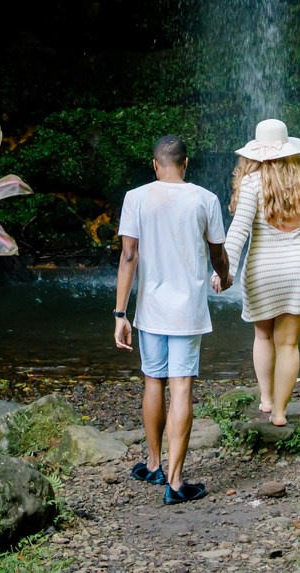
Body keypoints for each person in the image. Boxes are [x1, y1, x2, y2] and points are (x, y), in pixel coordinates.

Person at [113, 134, 230, 505]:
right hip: (188, 312)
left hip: (150, 310)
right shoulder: (205, 199)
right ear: (186, 162)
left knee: (152, 382)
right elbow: (218, 255)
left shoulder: (136, 198)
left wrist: (120, 313)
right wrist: (225, 278)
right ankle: (176, 483)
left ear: (154, 164)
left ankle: (152, 464)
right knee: (181, 388)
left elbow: (128, 257)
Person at [223, 118, 300, 427]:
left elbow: (238, 232)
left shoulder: (252, 183)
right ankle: (281, 413)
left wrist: (226, 270)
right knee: (288, 344)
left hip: (262, 270)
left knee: (262, 334)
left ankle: (266, 399)